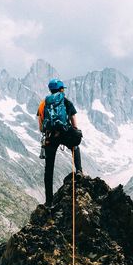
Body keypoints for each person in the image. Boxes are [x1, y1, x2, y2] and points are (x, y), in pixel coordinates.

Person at [37, 78, 83, 208]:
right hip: (64, 133)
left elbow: (41, 127)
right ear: (61, 89)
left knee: (49, 169)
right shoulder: (66, 101)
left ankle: (49, 202)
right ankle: (79, 171)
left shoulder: (43, 104)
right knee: (75, 146)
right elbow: (73, 118)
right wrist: (74, 131)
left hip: (50, 136)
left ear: (50, 89)